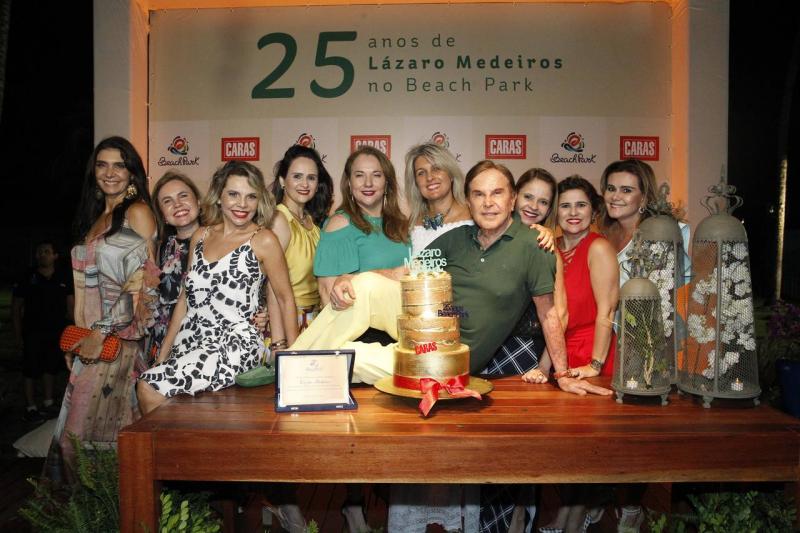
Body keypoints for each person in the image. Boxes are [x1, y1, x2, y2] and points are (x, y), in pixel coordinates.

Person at [136, 160, 298, 414]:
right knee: (178, 408)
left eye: (251, 196)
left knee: (148, 387)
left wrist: (294, 357)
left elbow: (285, 298)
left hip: (235, 344)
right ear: (219, 196)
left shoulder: (263, 240)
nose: (242, 204)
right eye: (233, 194)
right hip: (191, 340)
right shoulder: (200, 236)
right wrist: (163, 355)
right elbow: (184, 299)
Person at [46, 136, 159, 482]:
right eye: (102, 164)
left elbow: (144, 282)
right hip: (91, 343)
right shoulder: (97, 217)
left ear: (132, 172)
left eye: (119, 165)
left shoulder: (137, 212)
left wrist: (100, 331)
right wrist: (80, 339)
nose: (110, 173)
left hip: (118, 344)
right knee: (87, 444)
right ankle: (104, 509)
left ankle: (115, 509)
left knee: (86, 444)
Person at [598, 159, 690, 533]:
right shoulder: (604, 234)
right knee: (611, 429)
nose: (616, 196)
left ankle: (633, 504)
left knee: (642, 430)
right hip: (612, 340)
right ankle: (609, 497)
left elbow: (685, 286)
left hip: (652, 343)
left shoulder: (668, 232)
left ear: (644, 196)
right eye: (611, 188)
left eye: (627, 189)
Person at [539, 176, 619, 533]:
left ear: (593, 210)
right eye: (565, 205)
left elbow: (607, 311)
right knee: (563, 446)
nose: (573, 212)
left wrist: (595, 365)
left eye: (581, 205)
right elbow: (553, 313)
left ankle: (573, 519)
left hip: (592, 353)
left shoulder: (598, 247)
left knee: (585, 446)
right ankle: (571, 512)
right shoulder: (552, 245)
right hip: (561, 351)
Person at [266, 144, 334, 344]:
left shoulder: (313, 223)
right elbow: (272, 289)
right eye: (297, 176)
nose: (304, 184)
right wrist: (280, 342)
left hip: (314, 322)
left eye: (311, 178)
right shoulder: (279, 220)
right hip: (287, 324)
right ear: (282, 181)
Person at [12, 239, 74, 422]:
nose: (42, 255)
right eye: (39, 252)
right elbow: (16, 307)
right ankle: (30, 407)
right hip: (32, 331)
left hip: (56, 331)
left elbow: (71, 307)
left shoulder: (63, 277)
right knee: (30, 369)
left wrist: (75, 330)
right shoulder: (27, 276)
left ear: (55, 256)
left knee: (50, 367)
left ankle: (48, 403)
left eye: (47, 251)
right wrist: (18, 335)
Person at [148, 171, 203, 364]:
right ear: (162, 215)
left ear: (198, 202)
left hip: (201, 344)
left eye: (183, 195)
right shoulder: (162, 248)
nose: (177, 204)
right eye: (167, 201)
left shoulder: (219, 242)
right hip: (163, 342)